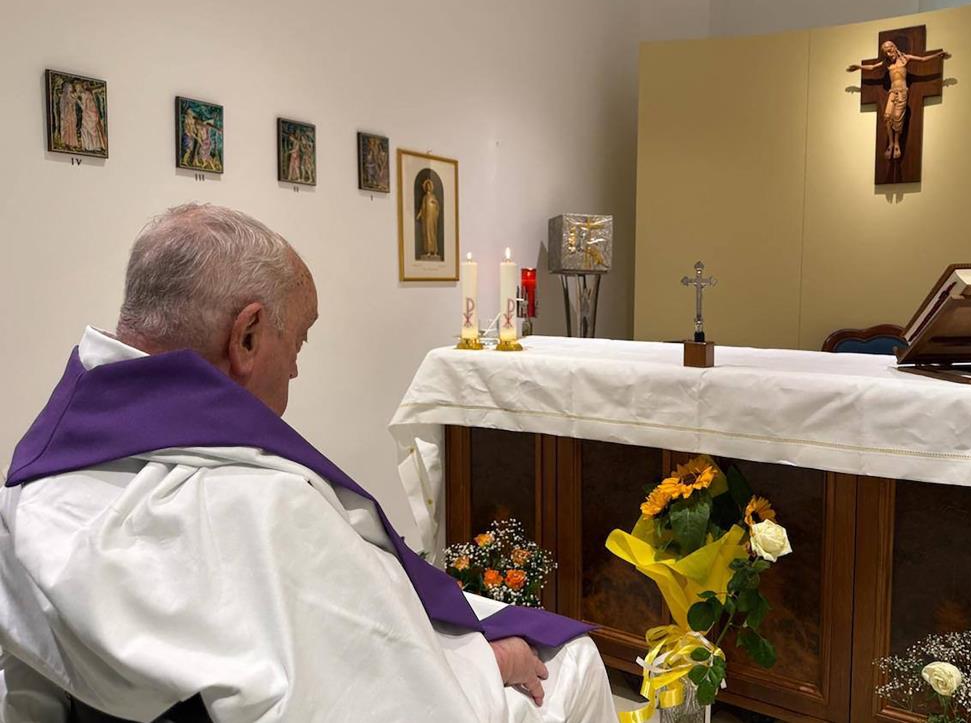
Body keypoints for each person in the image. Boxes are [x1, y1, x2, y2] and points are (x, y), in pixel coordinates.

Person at [0, 203, 615, 722]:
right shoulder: (261, 507)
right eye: (297, 342)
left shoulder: (36, 481)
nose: (294, 367)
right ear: (246, 337)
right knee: (575, 663)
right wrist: (488, 662)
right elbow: (380, 694)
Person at [846, 40, 951, 160]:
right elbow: (873, 67)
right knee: (886, 116)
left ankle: (896, 143)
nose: (889, 55)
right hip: (892, 91)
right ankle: (890, 143)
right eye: (886, 53)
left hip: (902, 91)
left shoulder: (905, 59)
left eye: (890, 51)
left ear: (894, 48)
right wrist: (859, 67)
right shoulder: (887, 63)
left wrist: (938, 55)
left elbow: (922, 60)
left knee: (897, 118)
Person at [417, 178, 441, 258]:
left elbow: (437, 206)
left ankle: (434, 250)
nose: (428, 187)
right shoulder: (424, 198)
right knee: (427, 233)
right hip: (426, 217)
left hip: (432, 217)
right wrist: (419, 215)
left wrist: (435, 203)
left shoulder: (433, 196)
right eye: (426, 186)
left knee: (432, 233)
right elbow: (422, 208)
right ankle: (428, 250)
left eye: (429, 186)